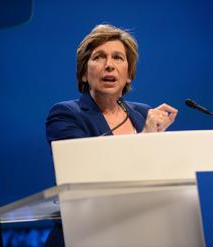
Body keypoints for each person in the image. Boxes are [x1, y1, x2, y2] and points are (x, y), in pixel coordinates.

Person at [44, 24, 178, 246]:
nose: (109, 66)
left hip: (138, 231)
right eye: (99, 57)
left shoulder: (143, 113)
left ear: (129, 75)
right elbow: (85, 172)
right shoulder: (65, 114)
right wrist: (146, 137)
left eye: (118, 58)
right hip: (84, 235)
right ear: (84, 74)